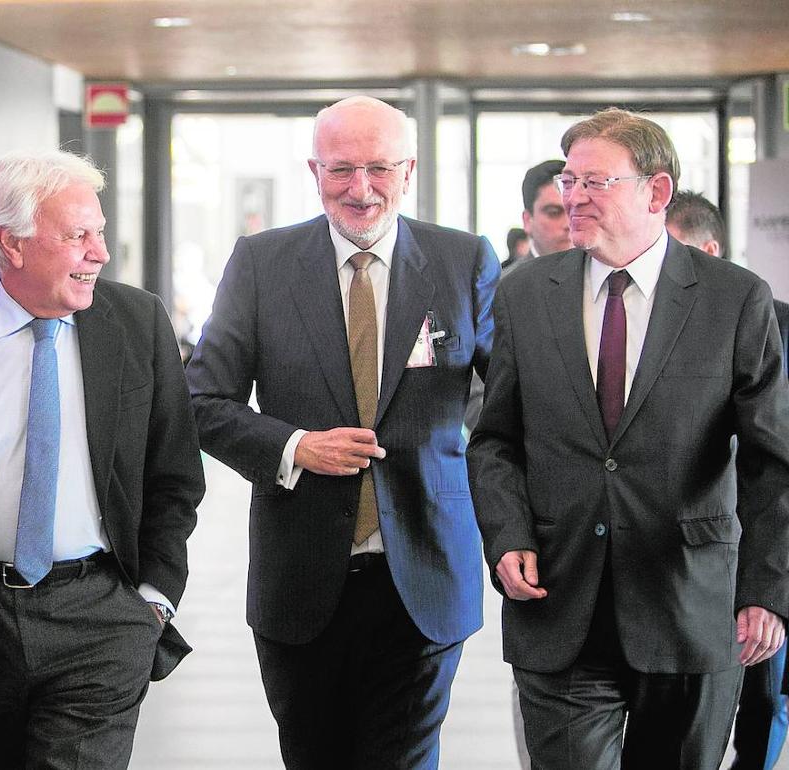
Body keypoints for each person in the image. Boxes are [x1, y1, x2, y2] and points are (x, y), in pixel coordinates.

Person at [468, 108, 789, 768]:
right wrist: (507, 536)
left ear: (657, 191)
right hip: (559, 605)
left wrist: (766, 591)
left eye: (596, 181)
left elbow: (772, 462)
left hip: (691, 607)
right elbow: (494, 438)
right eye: (568, 180)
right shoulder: (524, 296)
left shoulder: (734, 299)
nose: (574, 197)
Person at [186, 95, 499, 768]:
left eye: (379, 168)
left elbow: (507, 407)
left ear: (409, 171)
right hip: (301, 578)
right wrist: (295, 447)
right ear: (314, 170)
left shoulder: (463, 260)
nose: (361, 190)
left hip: (424, 570)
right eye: (342, 170)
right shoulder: (262, 264)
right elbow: (203, 399)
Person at [0, 150, 204, 770]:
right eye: (78, 235)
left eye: (99, 232)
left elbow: (175, 474)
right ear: (12, 243)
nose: (99, 253)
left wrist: (153, 601)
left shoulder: (138, 324)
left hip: (101, 615)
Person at [667, 189, 789, 770]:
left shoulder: (771, 321)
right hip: (695, 556)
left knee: (766, 696)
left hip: (767, 539)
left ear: (709, 250)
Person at [503, 159, 571, 273]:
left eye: (574, 211)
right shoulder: (505, 287)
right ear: (527, 221)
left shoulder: (600, 281)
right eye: (554, 213)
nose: (568, 224)